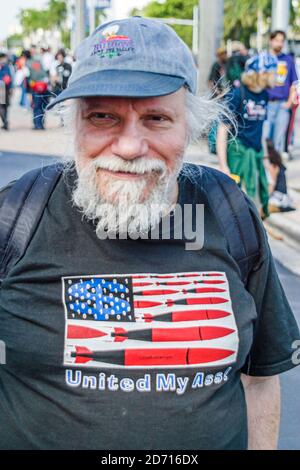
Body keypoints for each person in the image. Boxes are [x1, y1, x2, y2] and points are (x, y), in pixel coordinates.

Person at [0, 17, 299, 451]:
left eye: (157, 118)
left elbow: (259, 380)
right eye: (103, 116)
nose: (129, 147)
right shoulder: (15, 216)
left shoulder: (230, 213)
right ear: (74, 124)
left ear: (190, 126)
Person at [216, 52, 278, 218]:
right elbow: (222, 130)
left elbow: (261, 129)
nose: (276, 78)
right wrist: (223, 166)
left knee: (256, 198)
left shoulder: (264, 94)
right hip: (238, 152)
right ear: (262, 74)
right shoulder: (237, 94)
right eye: (273, 73)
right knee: (234, 201)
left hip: (255, 152)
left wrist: (266, 159)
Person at [263, 30, 299, 155]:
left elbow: (294, 84)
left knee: (278, 140)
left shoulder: (288, 59)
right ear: (271, 41)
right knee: (265, 138)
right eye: (277, 40)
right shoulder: (264, 58)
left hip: (282, 105)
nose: (279, 43)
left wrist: (289, 102)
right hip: (267, 104)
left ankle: (276, 171)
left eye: (282, 41)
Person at [27, 47, 49, 130]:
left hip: (35, 87)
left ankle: (37, 124)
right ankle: (40, 124)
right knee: (42, 106)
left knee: (36, 106)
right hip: (43, 86)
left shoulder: (28, 63)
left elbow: (28, 76)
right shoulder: (40, 61)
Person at [0, 52, 12, 130]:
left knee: (3, 106)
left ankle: (5, 122)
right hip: (2, 88)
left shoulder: (6, 67)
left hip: (3, 88)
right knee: (2, 106)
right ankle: (5, 122)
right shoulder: (5, 67)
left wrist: (11, 88)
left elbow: (9, 78)